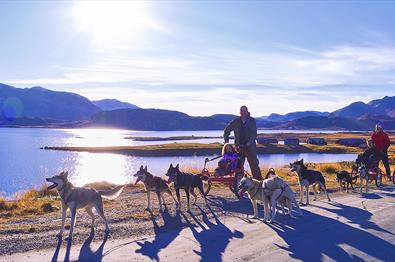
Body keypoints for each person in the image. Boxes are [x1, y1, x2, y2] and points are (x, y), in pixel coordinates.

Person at [223, 106, 263, 180]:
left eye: (245, 111)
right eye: (242, 111)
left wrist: (249, 143)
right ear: (240, 112)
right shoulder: (236, 121)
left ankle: (258, 181)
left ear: (247, 111)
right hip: (239, 147)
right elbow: (226, 131)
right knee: (239, 166)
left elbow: (254, 133)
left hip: (250, 148)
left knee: (254, 165)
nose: (243, 112)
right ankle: (239, 183)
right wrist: (226, 143)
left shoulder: (252, 121)